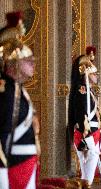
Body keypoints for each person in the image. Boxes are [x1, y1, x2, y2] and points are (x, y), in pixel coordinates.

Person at [0, 11, 40, 189]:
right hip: (14, 166)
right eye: (27, 60)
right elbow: (3, 136)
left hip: (25, 164)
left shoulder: (18, 89)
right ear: (13, 63)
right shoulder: (7, 91)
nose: (33, 63)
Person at [68, 55, 101, 187]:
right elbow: (81, 117)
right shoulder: (81, 91)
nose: (96, 76)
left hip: (93, 135)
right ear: (86, 74)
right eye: (94, 73)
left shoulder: (88, 91)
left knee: (88, 176)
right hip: (87, 136)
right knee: (87, 178)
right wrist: (88, 140)